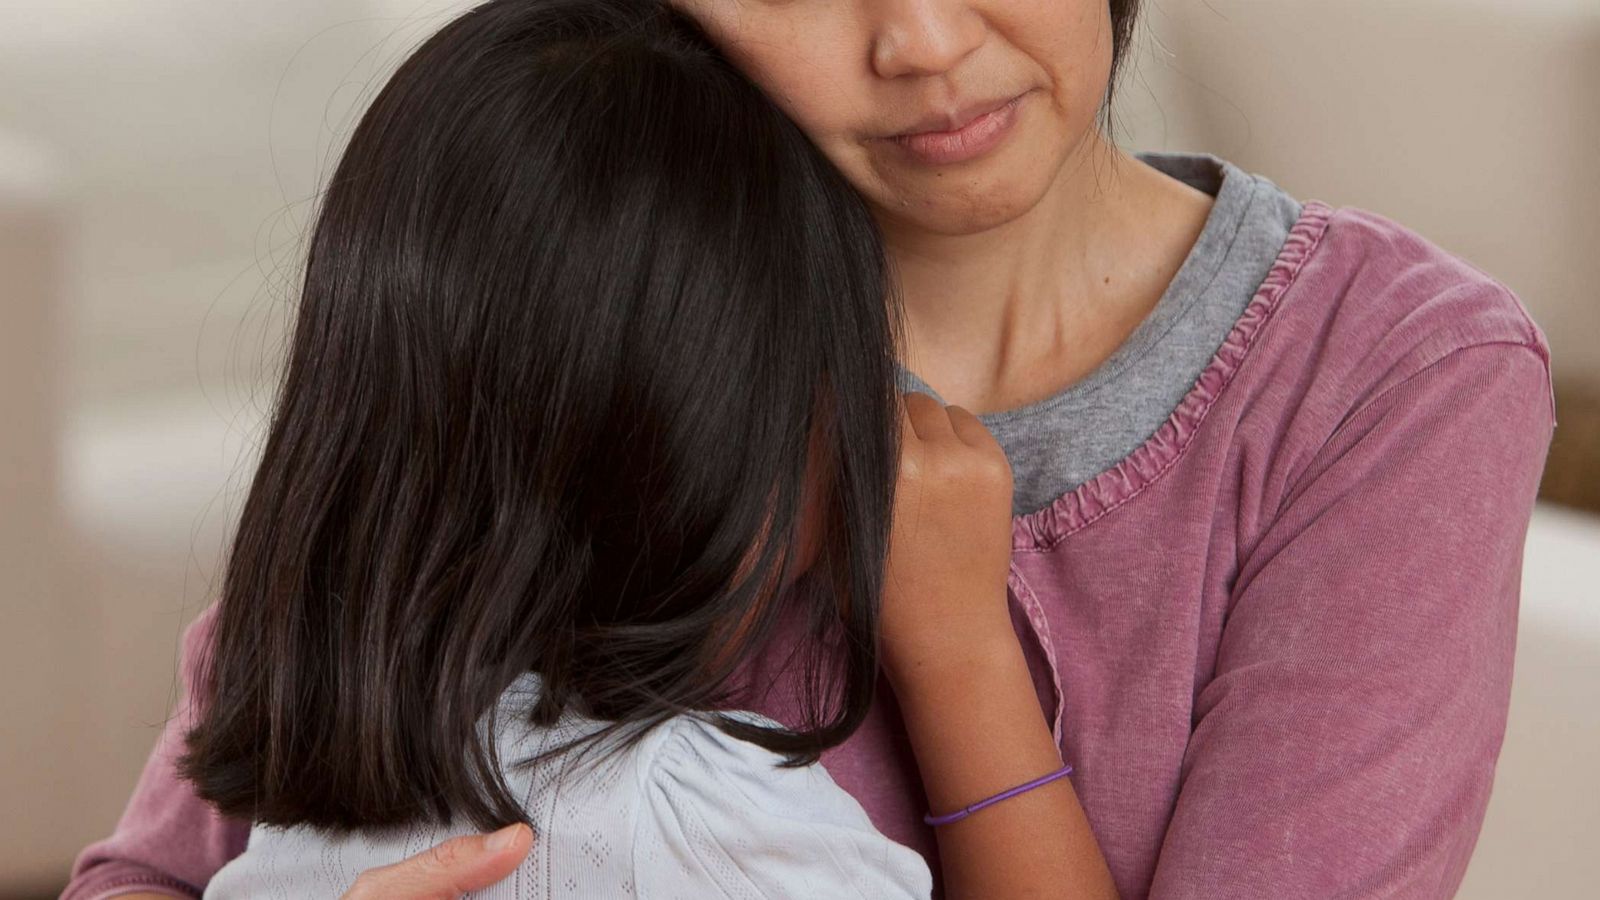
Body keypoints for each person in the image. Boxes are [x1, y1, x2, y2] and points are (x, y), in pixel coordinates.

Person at [67, 0, 1555, 896]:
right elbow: (159, 866)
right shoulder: (576, 304)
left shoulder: (1390, 374)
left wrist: (956, 651)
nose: (918, 40)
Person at [73, 0, 1115, 897]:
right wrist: (962, 650)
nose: (921, 43)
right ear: (724, 461)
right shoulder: (711, 827)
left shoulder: (288, 734)